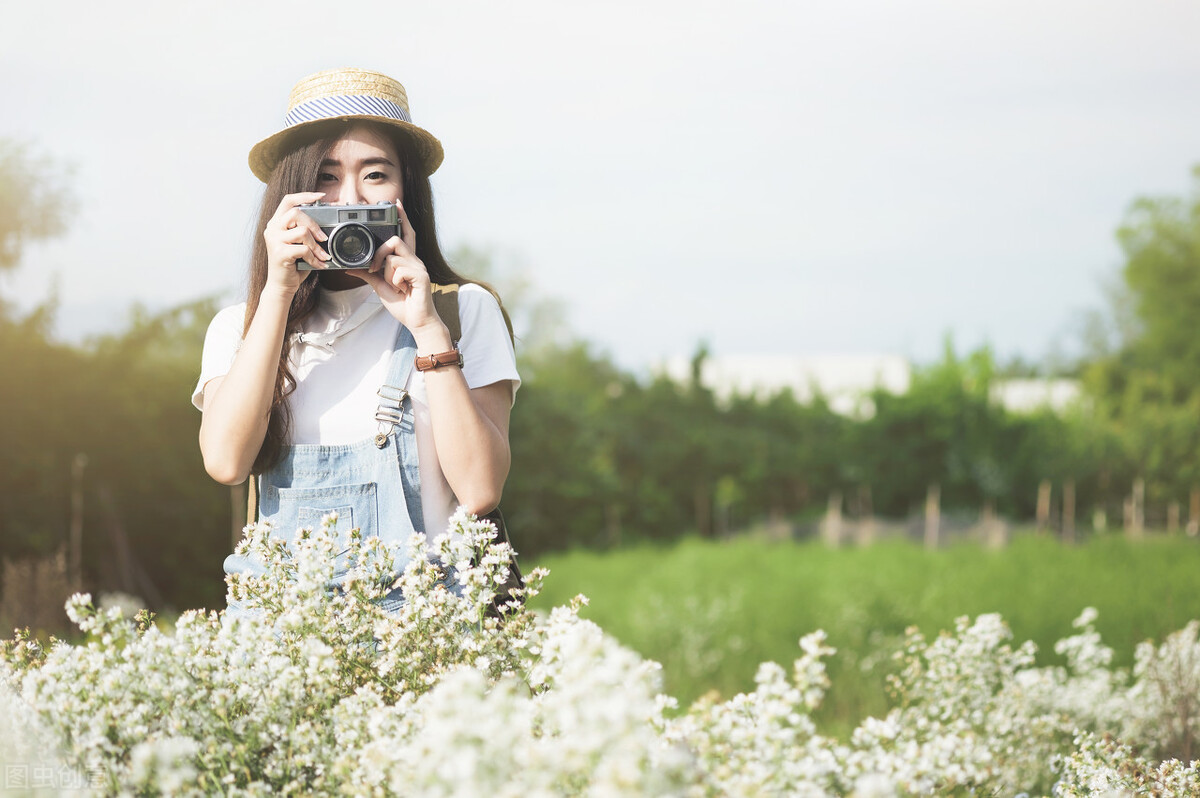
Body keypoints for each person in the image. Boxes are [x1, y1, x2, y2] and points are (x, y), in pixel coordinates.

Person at [191, 68, 519, 612]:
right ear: (288, 196)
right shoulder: (240, 328)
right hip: (289, 642)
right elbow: (226, 462)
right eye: (324, 177)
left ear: (405, 190)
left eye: (374, 176)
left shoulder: (460, 311)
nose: (347, 199)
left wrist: (425, 326)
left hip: (422, 637)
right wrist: (276, 293)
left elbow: (481, 489)